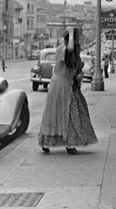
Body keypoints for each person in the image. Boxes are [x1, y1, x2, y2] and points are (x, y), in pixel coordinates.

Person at [38, 27, 98, 155]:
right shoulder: (62, 49)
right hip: (59, 85)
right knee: (56, 113)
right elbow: (69, 48)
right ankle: (48, 142)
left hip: (69, 84)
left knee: (72, 112)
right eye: (77, 37)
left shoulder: (74, 52)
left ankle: (69, 142)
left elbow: (74, 67)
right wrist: (71, 33)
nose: (78, 40)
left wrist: (78, 74)